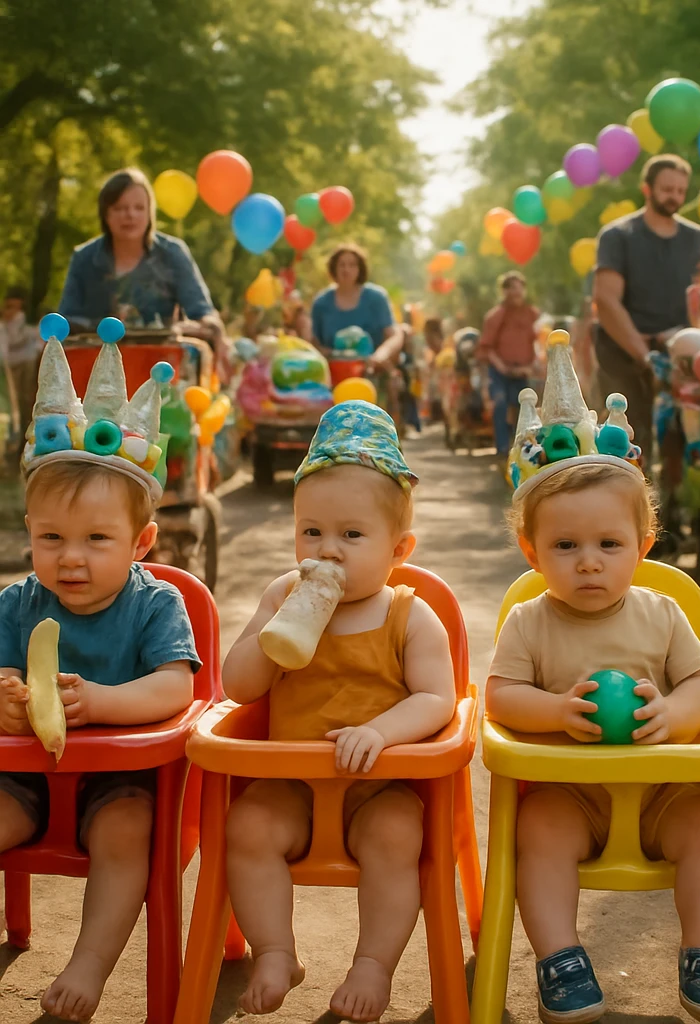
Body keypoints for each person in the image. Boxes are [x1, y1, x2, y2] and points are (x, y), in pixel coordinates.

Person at [488, 338, 700, 1024]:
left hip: (663, 793)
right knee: (536, 829)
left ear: (643, 547)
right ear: (532, 552)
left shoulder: (663, 611)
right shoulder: (529, 621)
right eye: (566, 547)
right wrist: (555, 711)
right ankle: (560, 958)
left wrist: (677, 715)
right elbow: (500, 699)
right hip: (571, 794)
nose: (589, 564)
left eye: (609, 545)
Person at [221, 401, 456, 1020]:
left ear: (398, 547)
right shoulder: (282, 594)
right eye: (311, 531)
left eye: (352, 535)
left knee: (398, 835)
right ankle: (275, 950)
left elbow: (438, 698)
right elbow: (237, 688)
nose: (328, 550)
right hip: (292, 786)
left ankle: (373, 964)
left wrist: (381, 730)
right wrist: (273, 639)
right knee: (245, 828)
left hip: (377, 788)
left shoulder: (408, 614)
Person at [0, 326, 200, 1022]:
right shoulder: (17, 603)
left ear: (142, 542)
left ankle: (88, 963)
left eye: (97, 540)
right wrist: (5, 699)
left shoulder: (157, 602)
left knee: (125, 837)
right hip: (23, 781)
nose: (70, 560)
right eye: (50, 539)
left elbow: (179, 688)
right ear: (29, 530)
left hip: (121, 784)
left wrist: (105, 703)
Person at [593, 155, 700, 469]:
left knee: (691, 444)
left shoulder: (699, 240)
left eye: (680, 190)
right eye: (666, 188)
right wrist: (645, 356)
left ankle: (676, 512)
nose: (673, 196)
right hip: (622, 354)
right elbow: (606, 302)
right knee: (625, 444)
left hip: (681, 354)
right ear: (647, 188)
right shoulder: (618, 236)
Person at [57, 168, 228, 376]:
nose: (130, 215)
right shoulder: (84, 258)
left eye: (139, 208)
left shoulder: (172, 253)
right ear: (105, 213)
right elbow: (66, 319)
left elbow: (202, 312)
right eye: (120, 208)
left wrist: (209, 329)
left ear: (150, 212)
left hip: (162, 370)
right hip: (97, 371)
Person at [310, 243, 404, 372]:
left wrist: (381, 355)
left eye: (352, 265)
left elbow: (394, 335)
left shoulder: (376, 298)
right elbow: (314, 343)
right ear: (334, 268)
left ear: (360, 269)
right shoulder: (321, 303)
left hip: (373, 372)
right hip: (334, 374)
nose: (346, 269)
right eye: (341, 264)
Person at [478, 271, 540, 460]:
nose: (517, 292)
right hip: (500, 372)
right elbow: (487, 348)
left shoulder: (532, 314)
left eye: (520, 288)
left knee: (526, 409)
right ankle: (502, 450)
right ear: (504, 291)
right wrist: (502, 367)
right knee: (500, 404)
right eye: (512, 288)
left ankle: (523, 450)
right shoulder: (495, 316)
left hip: (523, 372)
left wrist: (533, 364)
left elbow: (538, 342)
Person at [0, 285, 42, 454]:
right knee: (12, 400)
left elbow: (19, 339)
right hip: (9, 363)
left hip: (25, 361)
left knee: (24, 399)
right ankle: (15, 440)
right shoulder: (5, 320)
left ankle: (24, 440)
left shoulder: (22, 318)